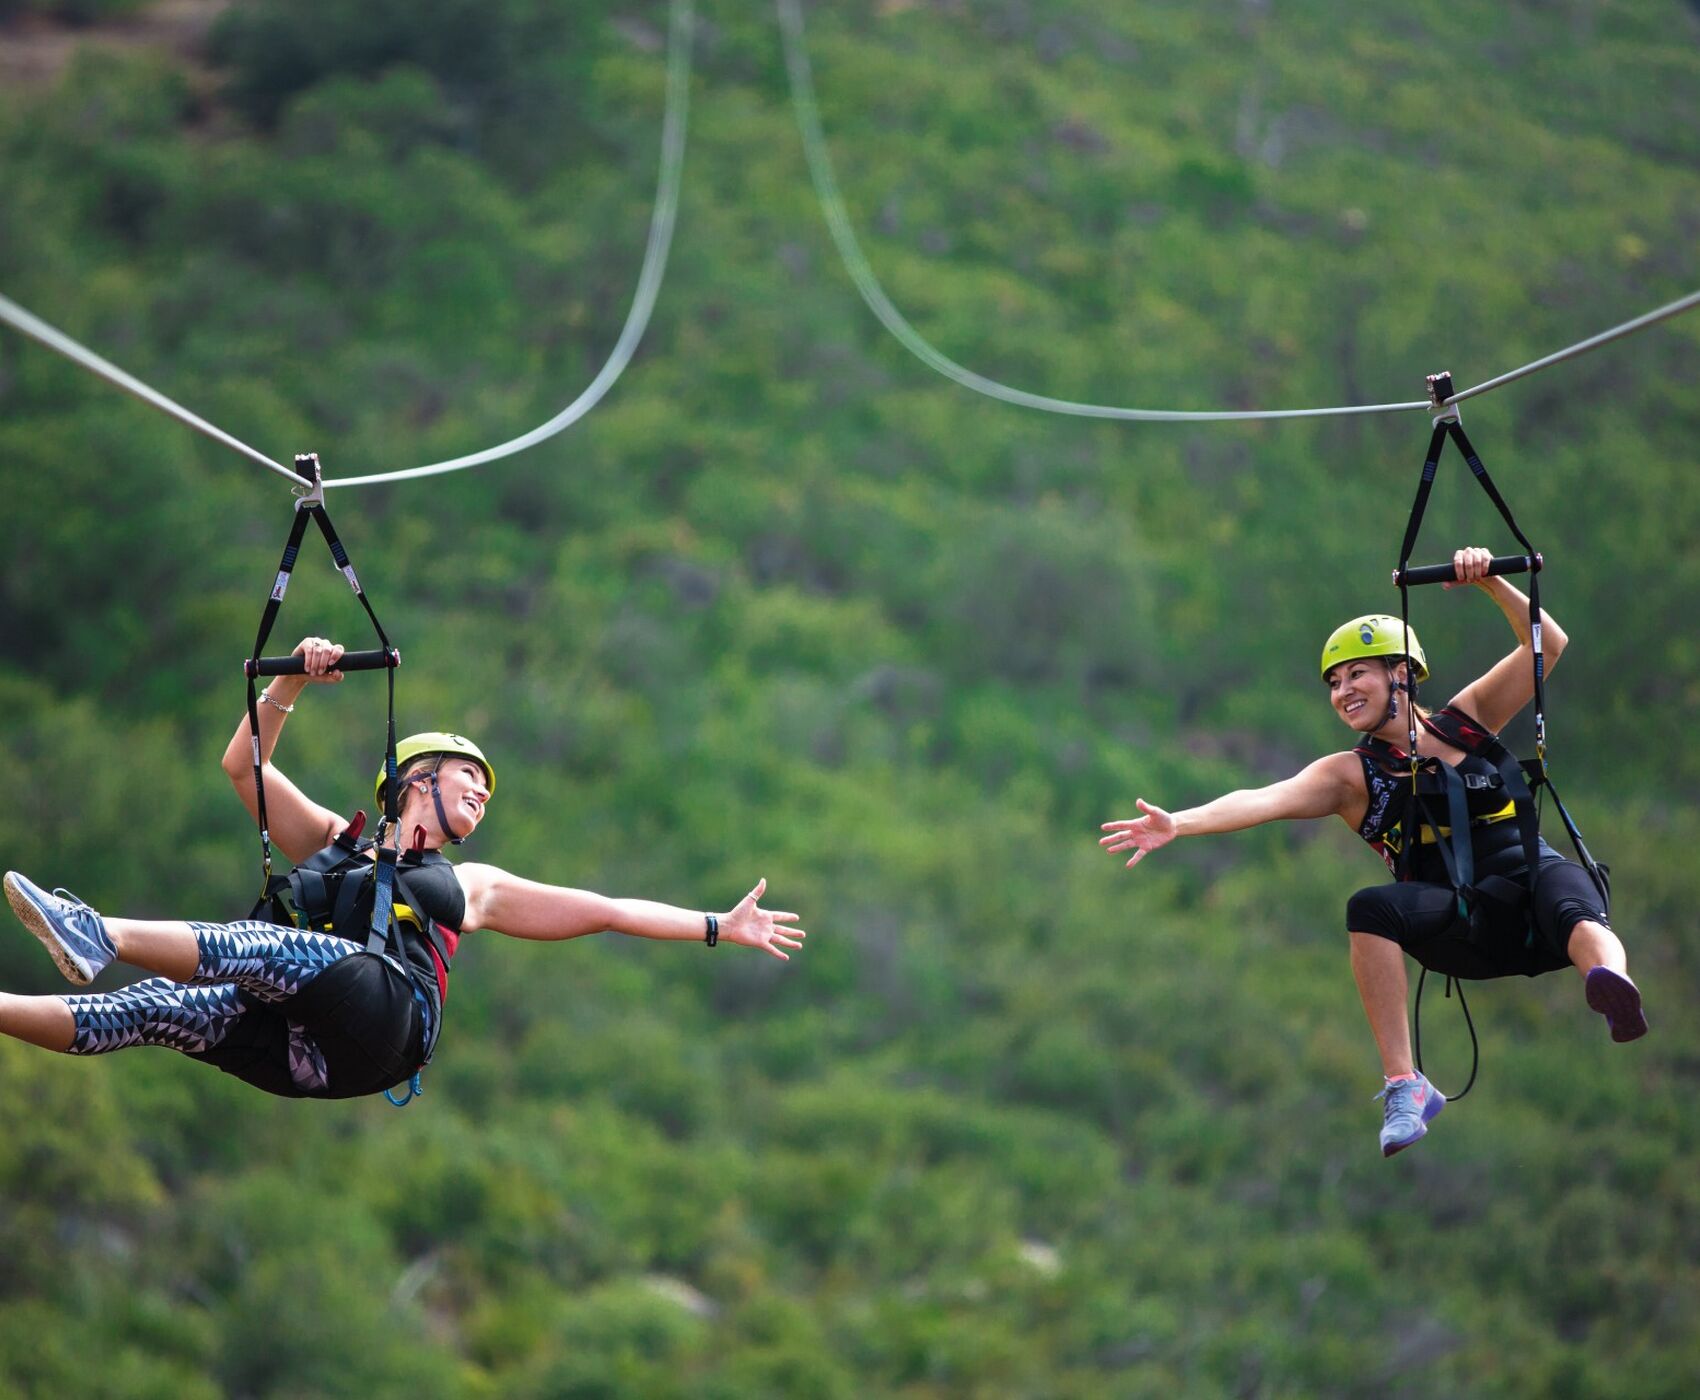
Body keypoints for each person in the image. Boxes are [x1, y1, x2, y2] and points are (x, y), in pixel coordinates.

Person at [2, 636, 806, 1101]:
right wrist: (291, 679)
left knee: (266, 951)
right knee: (152, 1008)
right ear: (417, 778)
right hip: (310, 1051)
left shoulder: (473, 886)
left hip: (389, 1019)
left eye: (487, 790)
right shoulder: (335, 841)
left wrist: (715, 925)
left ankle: (96, 933)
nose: (482, 795)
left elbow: (605, 909)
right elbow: (243, 767)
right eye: (470, 778)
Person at [1099, 548, 1644, 1157]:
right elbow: (1263, 798)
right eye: (1334, 683)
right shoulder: (1350, 775)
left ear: (1401, 674)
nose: (1343, 691)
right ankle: (1405, 1084)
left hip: (1534, 896)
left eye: (1357, 674)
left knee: (1569, 897)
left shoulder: (1467, 721)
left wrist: (1492, 581)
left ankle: (1610, 986)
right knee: (1369, 908)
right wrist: (1178, 823)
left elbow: (1548, 643)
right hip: (1463, 922)